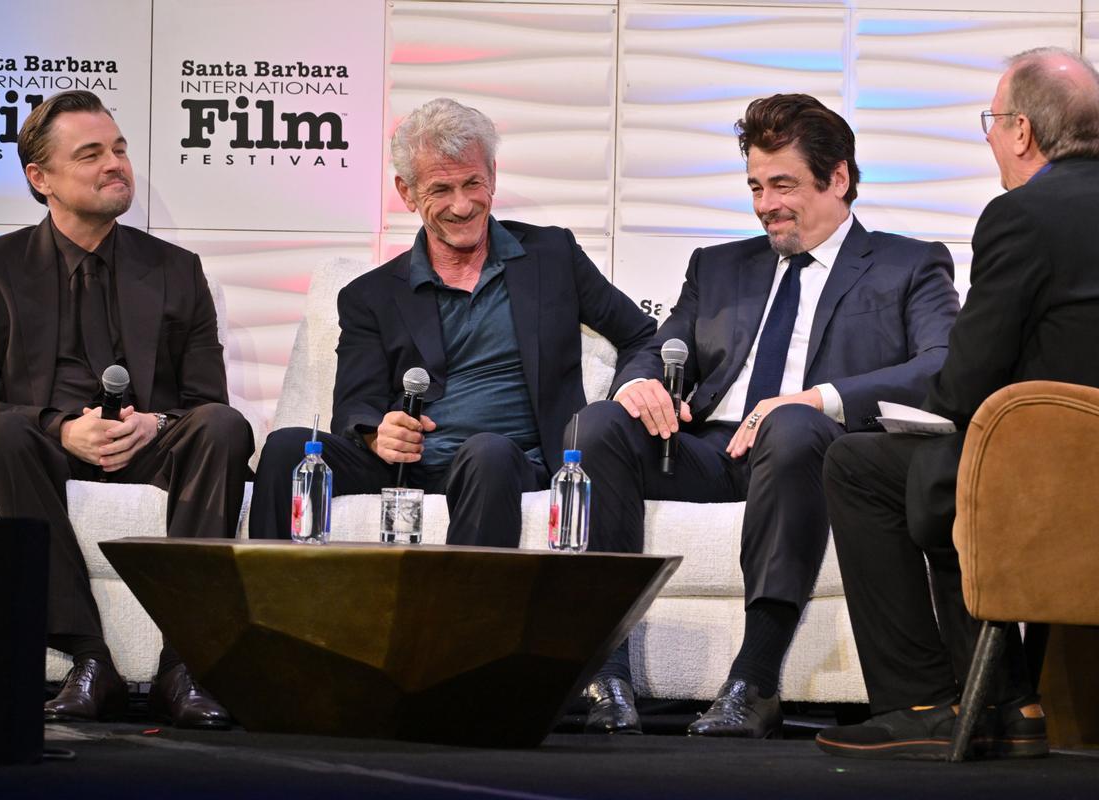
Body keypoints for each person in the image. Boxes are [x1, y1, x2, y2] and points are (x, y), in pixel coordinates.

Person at [572, 94, 961, 735]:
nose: (765, 204)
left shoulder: (908, 263)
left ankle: (753, 679)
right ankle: (605, 680)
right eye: (755, 185)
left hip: (811, 450)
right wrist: (639, 384)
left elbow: (939, 366)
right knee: (599, 426)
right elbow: (662, 347)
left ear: (838, 178)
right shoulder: (718, 265)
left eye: (783, 184)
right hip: (711, 450)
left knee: (792, 424)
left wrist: (816, 398)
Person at [0, 90, 254, 728]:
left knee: (224, 426)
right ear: (40, 178)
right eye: (91, 154)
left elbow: (205, 399)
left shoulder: (175, 269)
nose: (115, 164)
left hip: (147, 446)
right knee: (0, 431)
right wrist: (60, 428)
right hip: (43, 447)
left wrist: (154, 424)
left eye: (119, 148)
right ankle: (88, 656)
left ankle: (182, 665)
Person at [818, 46, 1099, 760]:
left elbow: (966, 380)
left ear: (1022, 132)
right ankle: (1014, 701)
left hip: (1053, 480)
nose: (990, 138)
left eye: (991, 121)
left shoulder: (1024, 215)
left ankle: (926, 700)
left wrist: (932, 406)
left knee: (861, 463)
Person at [249, 97, 655, 547]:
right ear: (406, 193)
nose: (461, 206)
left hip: (507, 460)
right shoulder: (371, 295)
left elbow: (640, 335)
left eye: (472, 183)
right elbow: (355, 406)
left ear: (493, 176)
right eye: (440, 190)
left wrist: (634, 386)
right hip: (404, 464)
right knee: (286, 447)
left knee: (487, 450)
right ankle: (270, 614)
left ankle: (467, 616)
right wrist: (376, 434)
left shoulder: (552, 256)